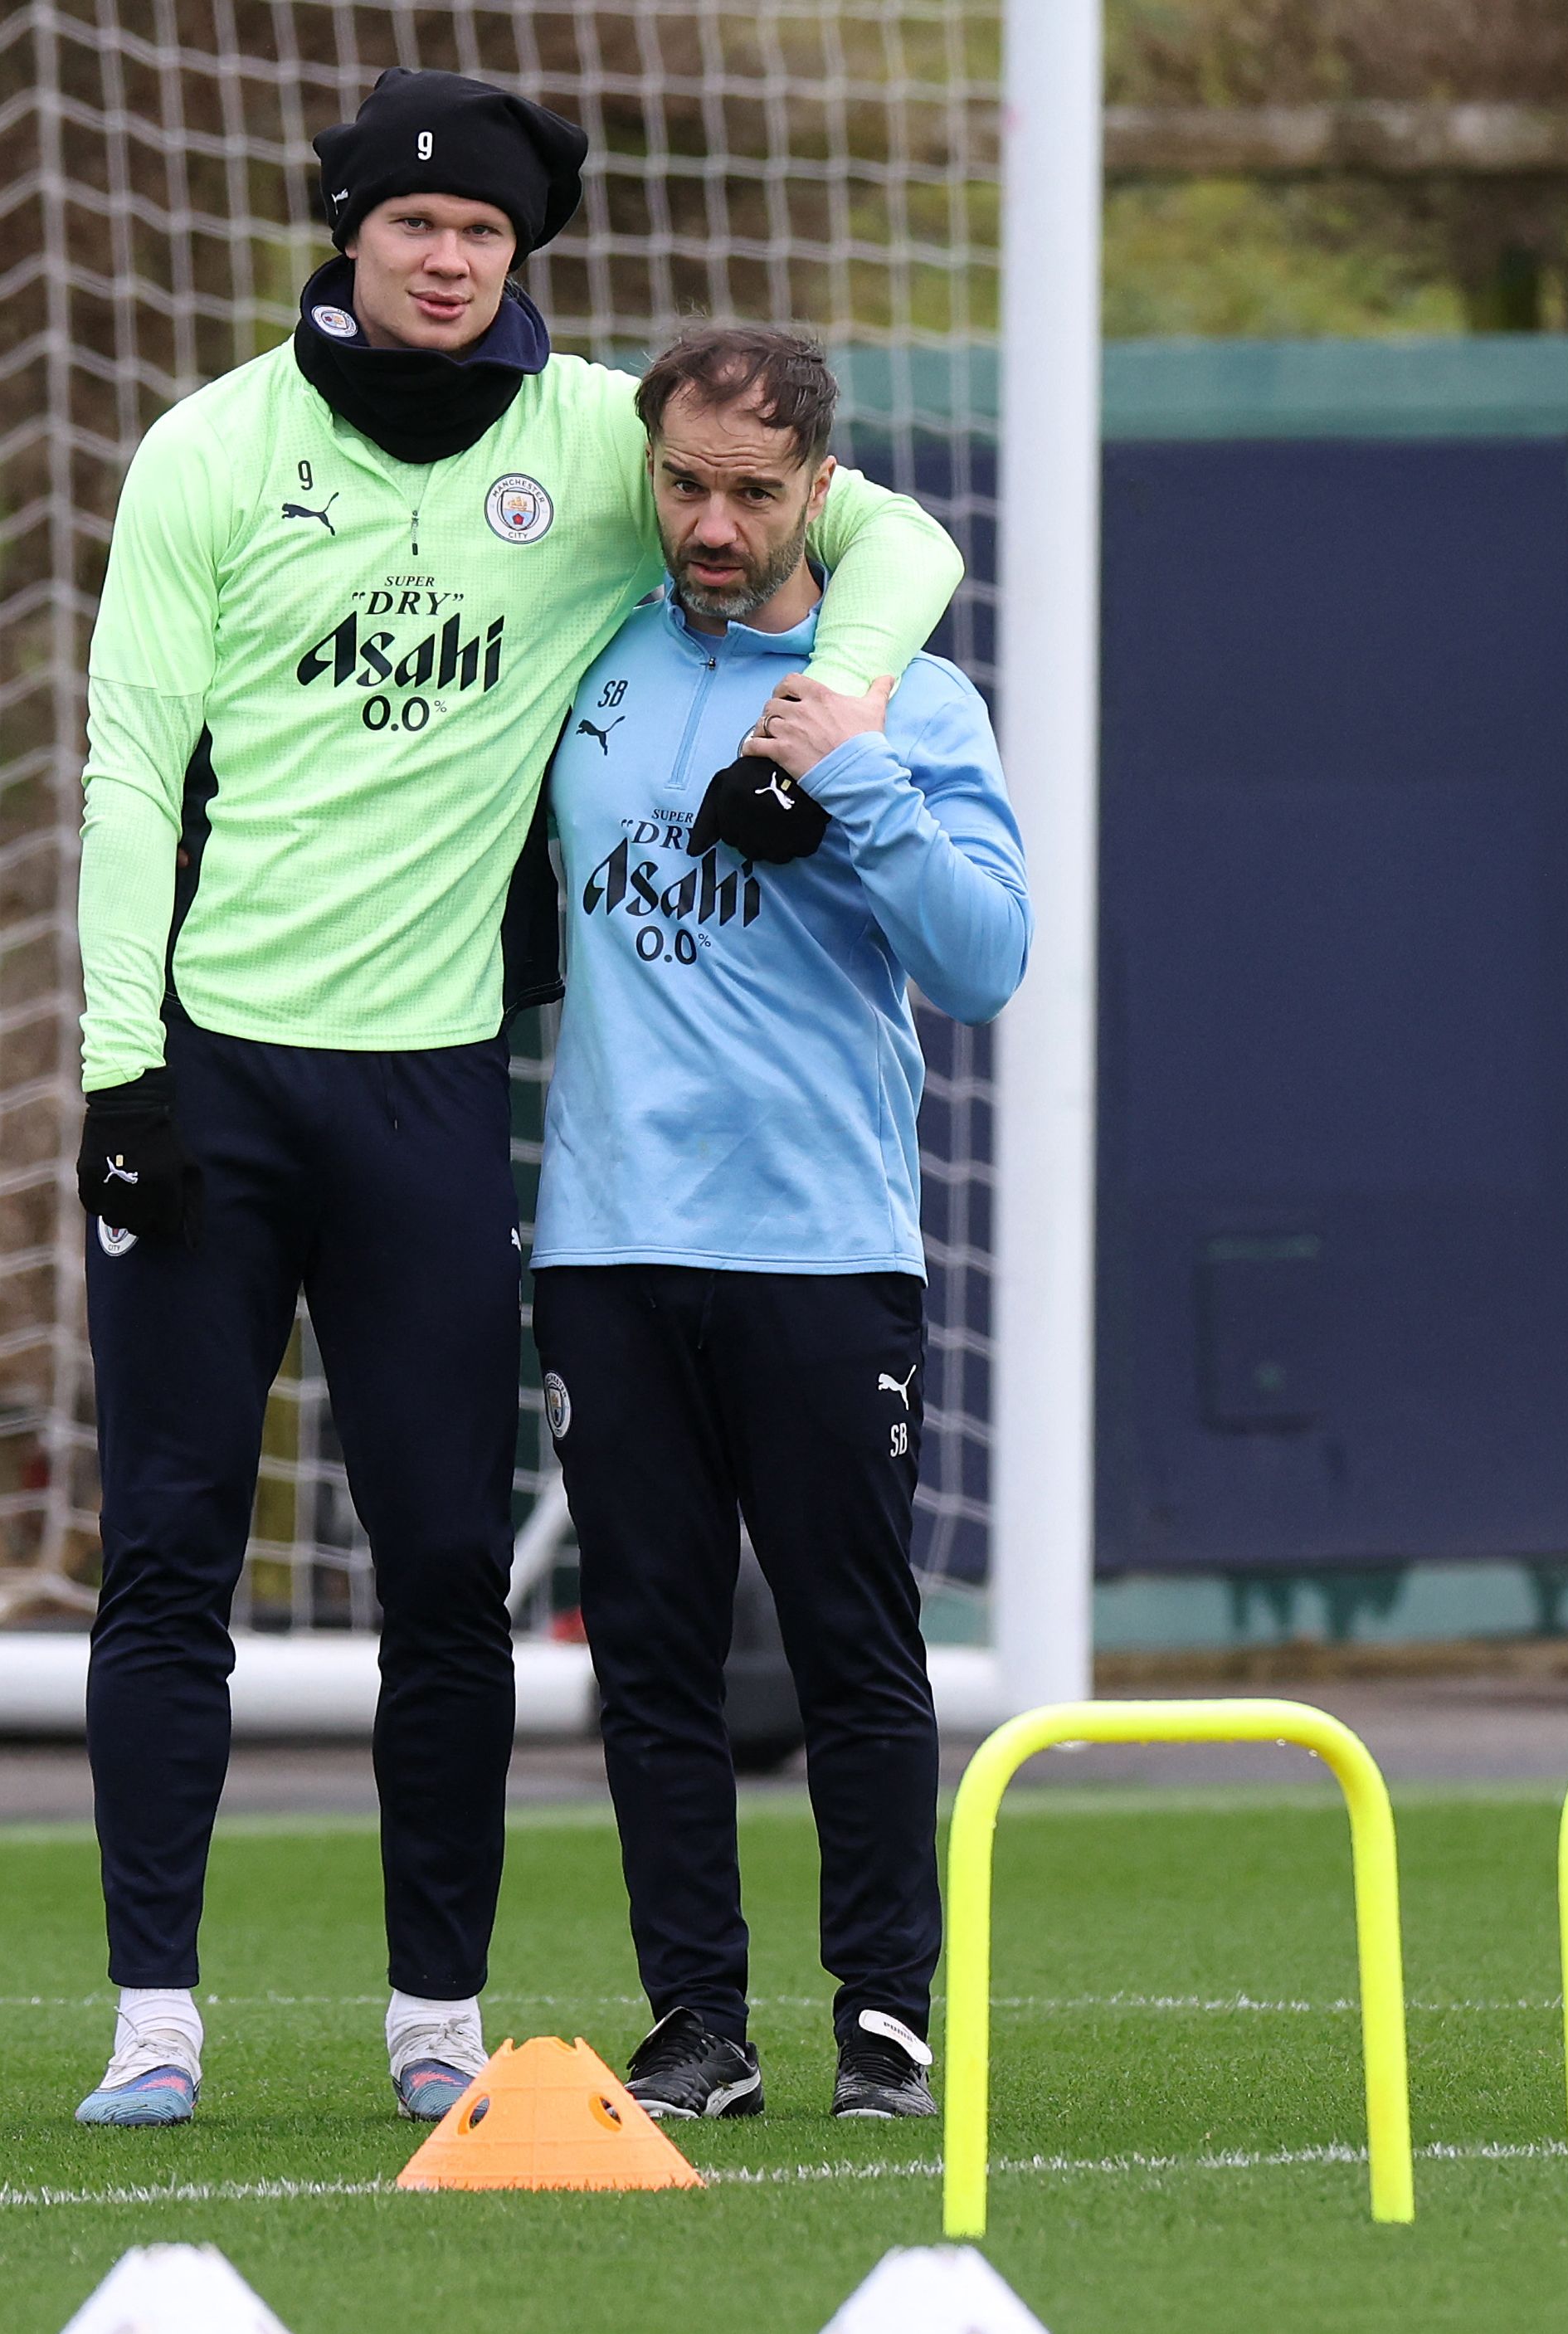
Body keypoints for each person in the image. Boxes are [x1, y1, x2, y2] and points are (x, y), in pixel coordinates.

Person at [66, 71, 962, 2127]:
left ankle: (435, 2019)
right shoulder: (209, 449)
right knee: (169, 1561)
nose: (449, 259)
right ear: (349, 237)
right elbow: (128, 767)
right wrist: (120, 1063)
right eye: (414, 226)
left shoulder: (600, 445)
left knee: (448, 1575)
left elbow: (891, 533)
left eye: (482, 231)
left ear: (518, 253)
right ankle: (153, 2019)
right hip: (212, 1079)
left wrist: (837, 711)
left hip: (434, 1095)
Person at [526, 324, 1025, 2123]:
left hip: (821, 1246)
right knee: (649, 1658)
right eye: (686, 485)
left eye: (753, 491)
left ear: (823, 488)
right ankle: (696, 2025)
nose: (714, 525)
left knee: (851, 1647)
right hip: (605, 1245)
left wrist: (855, 772)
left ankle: (884, 2018)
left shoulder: (912, 699)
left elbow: (986, 958)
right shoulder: (589, 652)